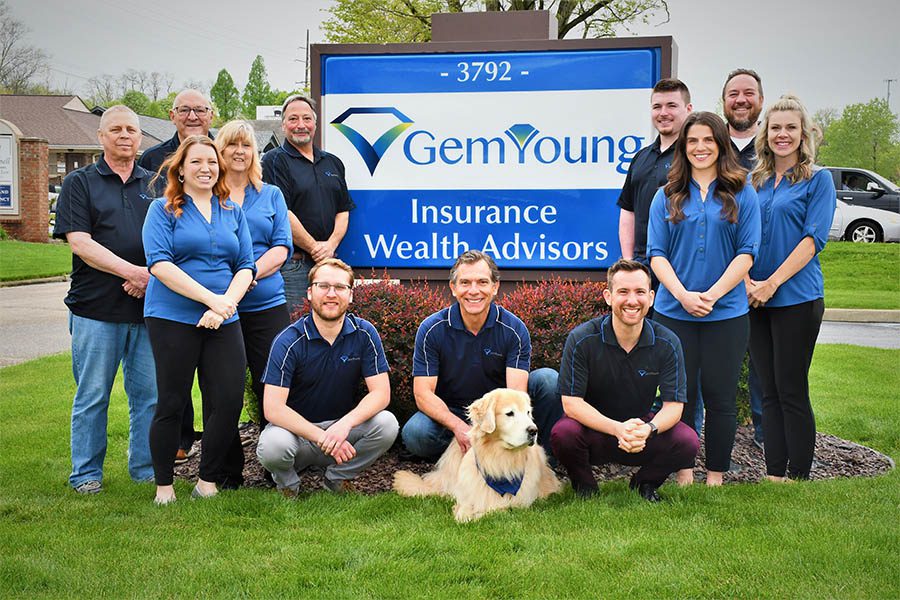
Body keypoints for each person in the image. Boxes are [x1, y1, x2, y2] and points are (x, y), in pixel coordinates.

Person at [647, 112, 761, 486]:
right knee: (680, 397)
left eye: (708, 140)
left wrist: (711, 295)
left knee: (720, 397)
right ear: (683, 146)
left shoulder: (742, 192)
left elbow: (747, 251)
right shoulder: (666, 195)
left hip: (726, 313)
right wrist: (681, 295)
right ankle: (683, 472)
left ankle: (714, 476)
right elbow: (656, 253)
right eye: (692, 141)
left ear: (720, 145)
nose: (700, 148)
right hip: (673, 313)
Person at [142, 135, 256, 504]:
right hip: (172, 317)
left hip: (225, 318)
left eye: (211, 162)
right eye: (196, 162)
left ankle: (207, 481)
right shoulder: (162, 210)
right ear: (180, 169)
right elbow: (159, 264)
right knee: (172, 402)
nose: (205, 168)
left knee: (227, 400)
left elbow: (246, 265)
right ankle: (164, 487)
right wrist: (211, 300)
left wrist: (224, 306)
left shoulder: (232, 211)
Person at [53, 105, 158, 494]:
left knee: (149, 396)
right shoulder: (80, 183)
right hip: (95, 310)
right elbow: (81, 243)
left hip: (148, 310)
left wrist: (151, 278)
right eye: (116, 129)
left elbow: (171, 238)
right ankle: (86, 474)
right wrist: (133, 273)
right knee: (93, 394)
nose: (125, 135)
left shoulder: (155, 184)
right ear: (101, 137)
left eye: (132, 129)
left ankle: (145, 468)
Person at [550, 259, 699, 502]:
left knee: (687, 440)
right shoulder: (582, 339)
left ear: (651, 297)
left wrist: (648, 430)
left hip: (642, 432)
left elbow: (674, 407)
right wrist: (617, 429)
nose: (632, 300)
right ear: (608, 296)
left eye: (640, 292)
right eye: (623, 292)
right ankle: (586, 488)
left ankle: (644, 485)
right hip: (595, 430)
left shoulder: (667, 342)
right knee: (563, 433)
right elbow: (571, 404)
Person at [747, 95, 835, 481]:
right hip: (753, 298)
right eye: (776, 128)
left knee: (791, 389)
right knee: (767, 390)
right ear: (766, 134)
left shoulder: (818, 180)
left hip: (797, 298)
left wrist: (772, 283)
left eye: (790, 128)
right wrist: (749, 282)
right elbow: (743, 233)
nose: (783, 135)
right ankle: (774, 474)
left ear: (803, 134)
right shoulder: (755, 181)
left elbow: (812, 240)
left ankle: (799, 475)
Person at [401, 250, 562, 460]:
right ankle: (467, 456)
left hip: (499, 411)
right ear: (453, 288)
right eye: (465, 282)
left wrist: (492, 424)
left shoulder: (514, 329)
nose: (474, 291)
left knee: (548, 380)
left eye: (482, 282)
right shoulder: (432, 329)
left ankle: (540, 460)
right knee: (416, 434)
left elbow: (514, 395)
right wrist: (459, 427)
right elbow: (423, 394)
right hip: (453, 411)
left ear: (495, 287)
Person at [256, 258, 398, 496]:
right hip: (296, 436)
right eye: (323, 286)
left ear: (351, 295)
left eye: (340, 287)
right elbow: (273, 409)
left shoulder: (365, 333)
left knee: (387, 424)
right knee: (272, 446)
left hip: (342, 433)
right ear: (310, 293)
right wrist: (321, 436)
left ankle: (337, 478)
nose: (332, 294)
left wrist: (344, 425)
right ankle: (288, 486)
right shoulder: (288, 341)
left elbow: (381, 394)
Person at [138, 88, 216, 463]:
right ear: (172, 115)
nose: (192, 115)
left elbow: (242, 254)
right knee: (172, 390)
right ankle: (177, 448)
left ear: (211, 115)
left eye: (199, 109)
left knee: (222, 388)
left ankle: (216, 465)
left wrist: (224, 299)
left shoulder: (222, 164)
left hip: (221, 305)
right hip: (170, 302)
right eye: (184, 110)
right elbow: (157, 245)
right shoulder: (153, 160)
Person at [214, 121, 292, 428]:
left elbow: (282, 247)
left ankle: (275, 456)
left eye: (246, 145)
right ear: (220, 150)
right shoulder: (208, 195)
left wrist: (248, 274)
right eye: (232, 144)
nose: (239, 151)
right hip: (221, 305)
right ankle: (226, 467)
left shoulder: (271, 195)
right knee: (223, 387)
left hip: (266, 304)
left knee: (272, 384)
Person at [261, 94, 355, 313]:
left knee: (331, 326)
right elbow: (282, 212)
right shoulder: (274, 160)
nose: (300, 125)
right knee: (295, 328)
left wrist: (330, 246)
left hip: (330, 262)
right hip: (295, 265)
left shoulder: (332, 162)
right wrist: (314, 248)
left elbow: (343, 210)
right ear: (283, 124)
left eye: (306, 118)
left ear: (315, 123)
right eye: (293, 119)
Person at [723, 67, 767, 450]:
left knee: (764, 371)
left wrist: (760, 280)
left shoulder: (774, 149)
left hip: (769, 282)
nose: (741, 99)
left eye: (748, 93)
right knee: (711, 375)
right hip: (721, 282)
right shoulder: (710, 148)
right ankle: (701, 446)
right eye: (733, 93)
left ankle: (767, 448)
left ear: (760, 101)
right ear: (723, 102)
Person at [617, 78, 693, 274]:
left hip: (680, 265)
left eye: (672, 106)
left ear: (688, 109)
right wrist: (629, 263)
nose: (663, 113)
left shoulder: (694, 156)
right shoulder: (640, 157)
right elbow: (628, 210)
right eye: (657, 107)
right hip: (643, 266)